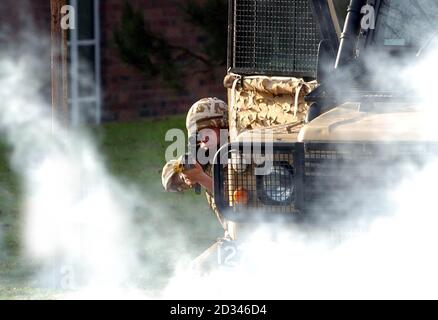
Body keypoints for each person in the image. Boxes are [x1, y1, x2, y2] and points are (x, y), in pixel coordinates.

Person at [161, 97, 229, 233]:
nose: (201, 138)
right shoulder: (205, 152)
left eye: (206, 130)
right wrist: (182, 174)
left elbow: (237, 202)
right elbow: (169, 180)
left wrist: (200, 177)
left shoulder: (239, 154)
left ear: (223, 125)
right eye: (197, 133)